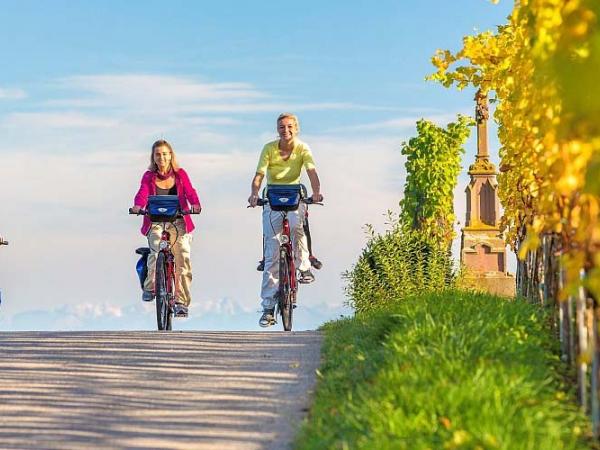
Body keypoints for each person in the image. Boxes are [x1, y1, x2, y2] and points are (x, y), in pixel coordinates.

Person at [248, 113, 323, 327]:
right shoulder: (269, 148)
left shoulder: (303, 148)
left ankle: (303, 267)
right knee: (272, 253)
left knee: (298, 228)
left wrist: (316, 192)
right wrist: (254, 193)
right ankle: (268, 308)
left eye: (290, 126)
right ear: (277, 129)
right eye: (282, 127)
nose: (286, 130)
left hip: (294, 195)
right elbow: (259, 175)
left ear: (296, 128)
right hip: (272, 195)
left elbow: (311, 171)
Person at [131, 139, 201, 318]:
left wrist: (195, 204)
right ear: (153, 158)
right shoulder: (149, 176)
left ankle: (181, 302)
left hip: (178, 221)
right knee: (156, 251)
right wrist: (138, 207)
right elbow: (142, 193)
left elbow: (190, 192)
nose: (161, 158)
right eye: (157, 154)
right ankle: (150, 287)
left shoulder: (180, 174)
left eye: (164, 154)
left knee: (182, 257)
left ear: (171, 156)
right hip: (155, 221)